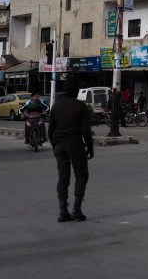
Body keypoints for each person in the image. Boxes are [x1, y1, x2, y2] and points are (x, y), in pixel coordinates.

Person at [48, 80, 94, 222]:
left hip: (59, 145)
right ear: (76, 91)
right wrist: (90, 147)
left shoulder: (56, 106)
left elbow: (50, 130)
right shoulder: (81, 106)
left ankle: (63, 211)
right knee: (81, 175)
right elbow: (86, 130)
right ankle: (76, 209)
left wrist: (55, 145)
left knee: (63, 177)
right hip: (74, 143)